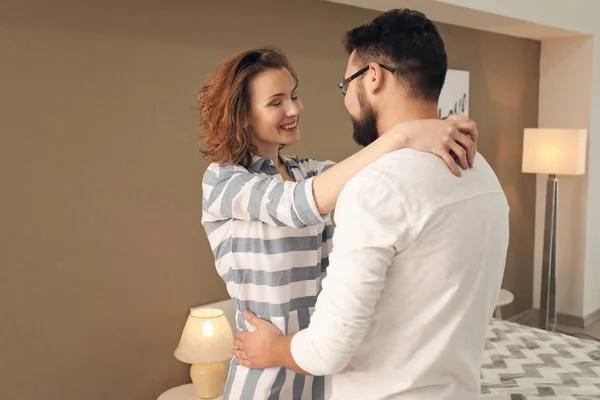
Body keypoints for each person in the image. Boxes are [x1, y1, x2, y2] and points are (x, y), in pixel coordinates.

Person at [232, 9, 510, 400]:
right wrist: (406, 136)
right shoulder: (482, 171)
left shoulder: (376, 189)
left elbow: (328, 350)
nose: (346, 98)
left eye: (346, 85)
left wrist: (272, 348)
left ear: (373, 77)